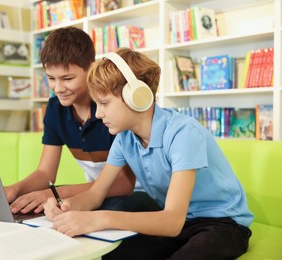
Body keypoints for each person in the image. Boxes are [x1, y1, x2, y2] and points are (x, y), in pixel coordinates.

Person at [43, 48, 254, 259]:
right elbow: (96, 194)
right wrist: (68, 206)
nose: (98, 113)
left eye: (105, 103)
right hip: (180, 224)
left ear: (137, 96)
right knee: (114, 256)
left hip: (223, 225)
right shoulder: (124, 139)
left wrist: (101, 219)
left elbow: (172, 221)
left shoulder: (183, 133)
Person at [4, 27, 158, 216]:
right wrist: (15, 189)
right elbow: (45, 173)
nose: (58, 88)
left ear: (91, 69)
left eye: (67, 78)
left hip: (136, 192)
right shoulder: (55, 109)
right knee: (43, 203)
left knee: (107, 206)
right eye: (51, 78)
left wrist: (57, 193)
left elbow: (124, 185)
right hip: (94, 191)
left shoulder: (112, 109)